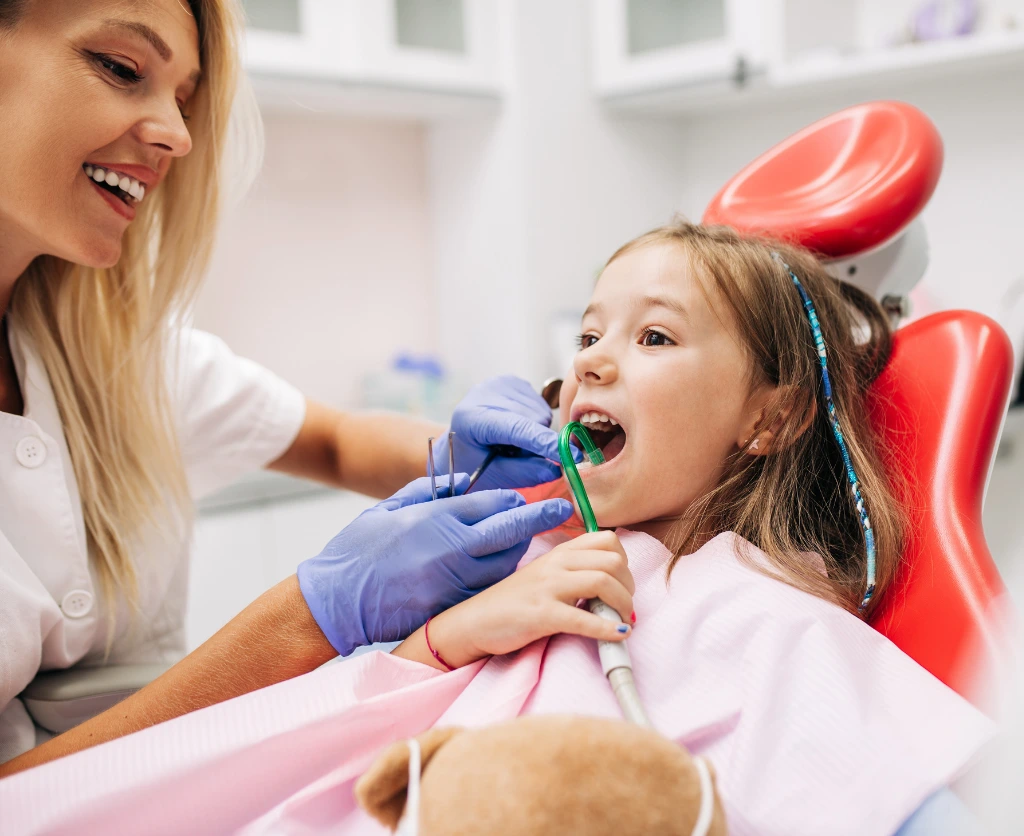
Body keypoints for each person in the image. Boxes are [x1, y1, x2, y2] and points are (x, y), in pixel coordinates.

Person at [0, 223, 992, 835]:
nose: (595, 361)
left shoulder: (745, 604)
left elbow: (900, 799)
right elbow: (357, 725)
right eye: (589, 332)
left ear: (768, 416)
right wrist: (438, 638)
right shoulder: (516, 555)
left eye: (652, 336)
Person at [0, 0, 572, 775]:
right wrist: (307, 617)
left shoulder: (110, 357)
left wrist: (463, 457)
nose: (177, 134)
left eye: (184, 99)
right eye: (122, 69)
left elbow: (333, 441)